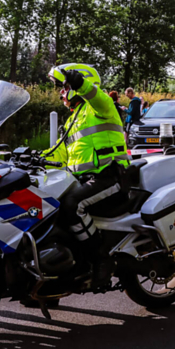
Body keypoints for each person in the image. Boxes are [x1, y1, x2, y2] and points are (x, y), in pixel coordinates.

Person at [47, 63, 130, 291]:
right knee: (50, 207)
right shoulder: (73, 119)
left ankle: (102, 259)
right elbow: (58, 153)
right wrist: (26, 158)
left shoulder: (101, 107)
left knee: (72, 205)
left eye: (63, 87)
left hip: (109, 176)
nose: (61, 93)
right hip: (84, 181)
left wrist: (80, 84)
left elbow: (98, 97)